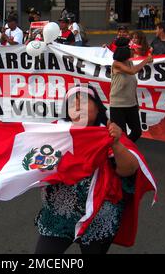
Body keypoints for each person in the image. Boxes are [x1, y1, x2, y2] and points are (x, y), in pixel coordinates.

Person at [32, 84, 149, 254]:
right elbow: (26, 157)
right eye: (72, 104)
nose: (78, 106)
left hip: (98, 217)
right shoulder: (54, 132)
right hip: (58, 215)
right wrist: (2, 134)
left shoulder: (108, 132)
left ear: (98, 107)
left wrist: (115, 144)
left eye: (84, 101)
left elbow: (129, 169)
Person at [110, 37, 153, 143]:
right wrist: (146, 60)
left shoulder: (129, 62)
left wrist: (136, 102)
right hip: (118, 106)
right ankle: (120, 154)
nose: (133, 51)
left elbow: (132, 84)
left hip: (131, 104)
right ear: (126, 51)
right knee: (121, 135)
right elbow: (132, 71)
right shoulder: (116, 64)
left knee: (137, 131)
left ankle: (126, 148)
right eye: (132, 49)